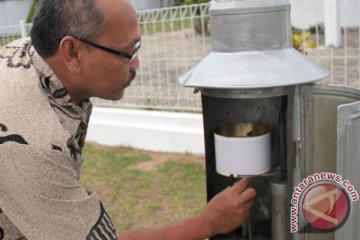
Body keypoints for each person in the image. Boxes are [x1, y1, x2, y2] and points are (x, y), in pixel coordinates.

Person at [0, 0, 256, 239]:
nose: (136, 64)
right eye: (127, 53)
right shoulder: (32, 146)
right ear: (72, 52)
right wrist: (206, 223)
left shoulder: (29, 55)